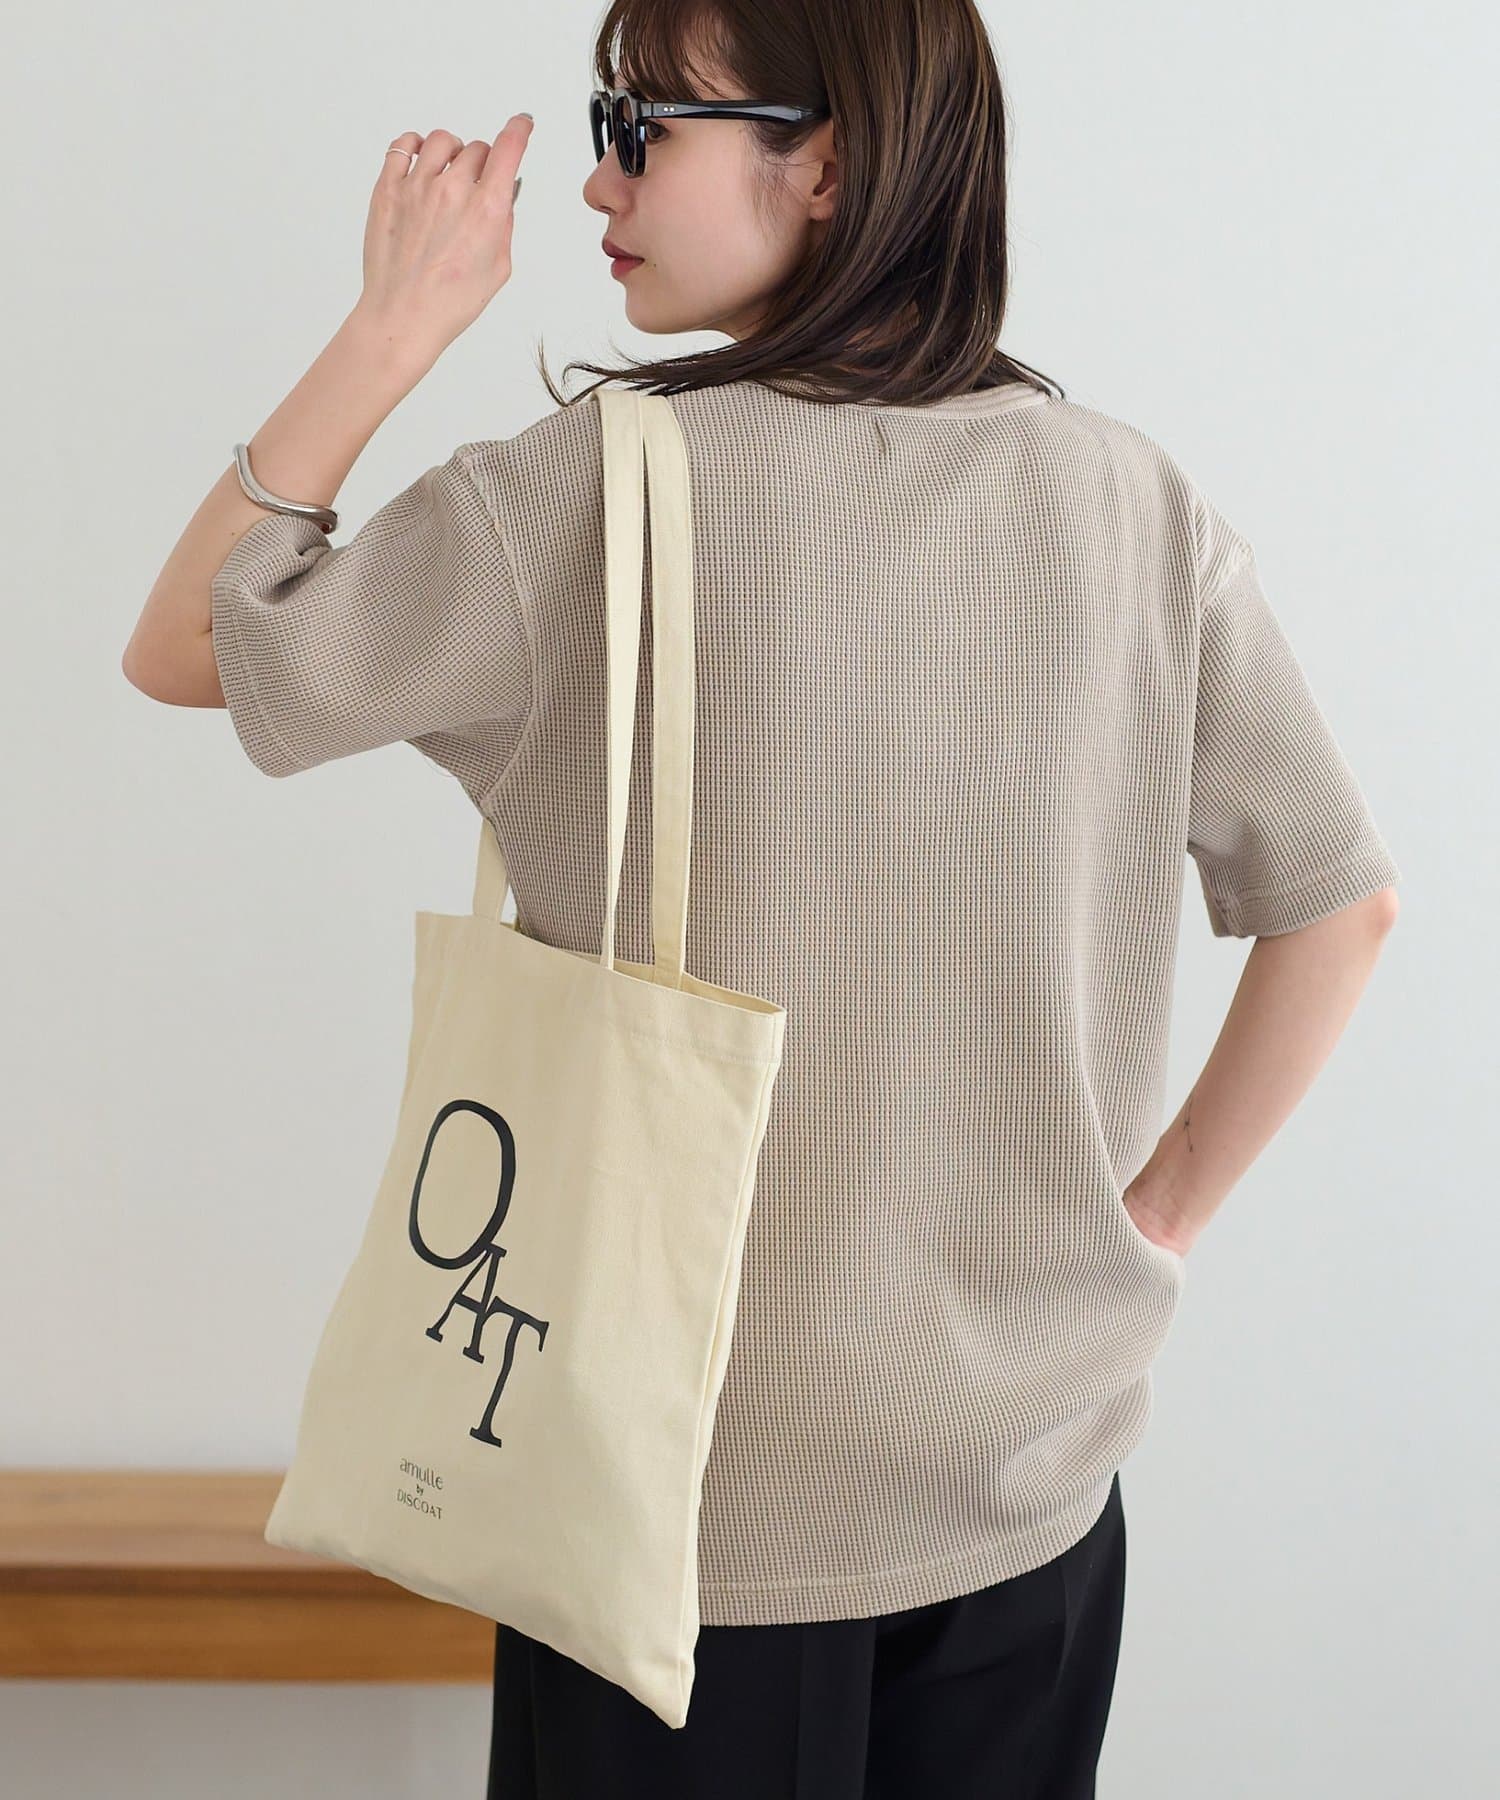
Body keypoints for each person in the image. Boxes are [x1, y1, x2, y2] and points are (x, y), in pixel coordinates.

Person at [122, 1, 1402, 1793]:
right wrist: (1158, 1222)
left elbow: (189, 645)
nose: (599, 179)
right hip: (1030, 1482)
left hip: (671, 1518)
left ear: (830, 164)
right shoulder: (1127, 500)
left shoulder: (592, 496)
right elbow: (1340, 904)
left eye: (644, 127)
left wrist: (397, 319)